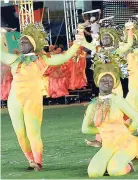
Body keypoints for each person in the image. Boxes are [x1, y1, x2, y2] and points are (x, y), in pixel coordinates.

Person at [0, 23, 84, 171]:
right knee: (20, 133)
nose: (21, 43)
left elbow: (64, 57)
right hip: (14, 100)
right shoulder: (15, 59)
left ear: (33, 44)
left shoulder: (42, 60)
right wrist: (1, 36)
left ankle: (38, 161)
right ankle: (31, 160)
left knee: (33, 132)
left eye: (25, 41)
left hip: (32, 99)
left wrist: (77, 43)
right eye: (21, 41)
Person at [81, 62, 138, 177]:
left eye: (110, 81)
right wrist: (104, 130)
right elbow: (85, 129)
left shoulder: (118, 101)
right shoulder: (92, 105)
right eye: (103, 80)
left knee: (114, 171)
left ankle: (128, 165)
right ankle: (109, 163)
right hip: (108, 146)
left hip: (125, 144)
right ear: (97, 82)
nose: (107, 83)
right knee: (93, 173)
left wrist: (127, 131)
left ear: (114, 83)